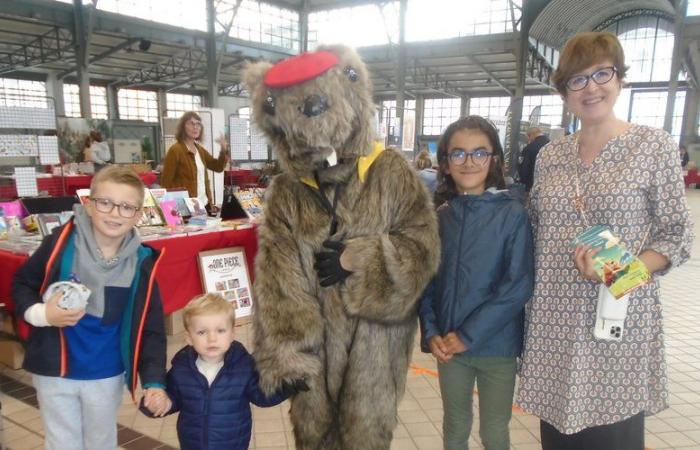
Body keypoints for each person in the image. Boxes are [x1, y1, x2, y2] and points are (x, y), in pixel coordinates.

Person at [516, 32, 693, 450]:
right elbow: (535, 229)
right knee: (557, 436)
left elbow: (677, 235)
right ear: (564, 93)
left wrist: (618, 269)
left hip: (616, 319)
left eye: (601, 73)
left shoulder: (652, 146)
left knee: (612, 436)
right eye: (576, 80)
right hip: (554, 323)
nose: (590, 87)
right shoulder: (551, 155)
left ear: (620, 79)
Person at [12, 165, 169, 450]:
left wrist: (154, 380)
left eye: (126, 207)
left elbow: (151, 328)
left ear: (137, 214)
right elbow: (22, 283)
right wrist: (42, 314)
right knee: (62, 442)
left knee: (101, 441)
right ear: (89, 203)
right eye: (105, 203)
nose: (114, 213)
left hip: (105, 374)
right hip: (54, 370)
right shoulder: (60, 243)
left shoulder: (142, 263)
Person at [419, 116, 534, 450]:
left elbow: (518, 285)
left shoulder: (512, 214)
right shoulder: (441, 218)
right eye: (458, 154)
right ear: (445, 163)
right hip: (449, 348)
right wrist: (431, 333)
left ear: (493, 160)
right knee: (455, 427)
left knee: (494, 432)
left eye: (479, 153)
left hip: (496, 347)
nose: (469, 162)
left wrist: (468, 335)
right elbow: (427, 283)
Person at [140, 293, 294, 450]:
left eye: (220, 330)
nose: (212, 339)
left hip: (234, 445)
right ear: (189, 337)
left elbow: (261, 396)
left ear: (232, 333)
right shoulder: (181, 368)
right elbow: (171, 398)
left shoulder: (243, 365)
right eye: (201, 332)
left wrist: (288, 385)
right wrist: (158, 403)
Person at [161, 111, 230, 213]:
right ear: (183, 127)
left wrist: (223, 149)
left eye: (198, 124)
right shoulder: (175, 150)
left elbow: (218, 167)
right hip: (185, 208)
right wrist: (170, 214)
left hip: (204, 205)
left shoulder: (200, 150)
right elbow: (166, 183)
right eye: (191, 123)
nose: (195, 127)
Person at [518, 127, 550, 192]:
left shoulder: (529, 148)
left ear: (531, 135)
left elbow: (524, 167)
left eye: (528, 137)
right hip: (548, 185)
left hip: (532, 184)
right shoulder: (552, 145)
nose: (529, 140)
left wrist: (523, 181)